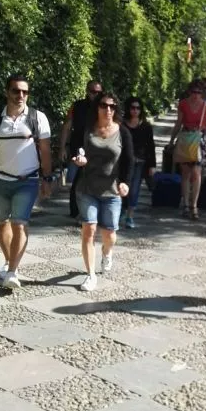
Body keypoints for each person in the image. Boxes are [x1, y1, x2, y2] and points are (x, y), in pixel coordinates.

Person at [0, 74, 53, 289]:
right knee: (1, 224)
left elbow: (45, 150)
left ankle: (13, 271)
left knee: (19, 223)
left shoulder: (38, 117)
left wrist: (47, 177)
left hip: (27, 180)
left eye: (25, 92)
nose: (21, 95)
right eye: (16, 91)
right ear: (7, 92)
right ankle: (9, 262)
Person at [71, 92, 133, 292]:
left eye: (112, 107)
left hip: (112, 191)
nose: (108, 110)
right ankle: (90, 275)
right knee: (88, 229)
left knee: (109, 234)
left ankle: (107, 253)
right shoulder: (87, 129)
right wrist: (78, 160)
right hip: (87, 187)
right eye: (104, 106)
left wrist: (125, 182)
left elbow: (129, 161)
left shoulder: (122, 132)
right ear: (97, 107)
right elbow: (75, 149)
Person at [59, 80, 104, 218]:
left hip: (97, 150)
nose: (95, 95)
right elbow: (67, 126)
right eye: (92, 91)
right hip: (78, 149)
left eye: (98, 92)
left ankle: (92, 212)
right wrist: (62, 147)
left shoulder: (104, 108)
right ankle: (75, 210)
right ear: (87, 91)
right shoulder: (77, 106)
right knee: (77, 181)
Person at [168, 80, 206, 219]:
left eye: (199, 92)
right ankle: (186, 205)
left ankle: (194, 205)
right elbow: (179, 123)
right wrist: (171, 140)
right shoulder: (183, 104)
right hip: (186, 139)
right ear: (189, 92)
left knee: (197, 173)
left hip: (199, 140)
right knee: (186, 173)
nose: (196, 95)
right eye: (194, 91)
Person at [122, 97, 156, 229]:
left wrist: (152, 165)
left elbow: (151, 146)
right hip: (124, 161)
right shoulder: (122, 125)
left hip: (139, 162)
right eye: (132, 108)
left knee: (134, 190)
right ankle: (121, 211)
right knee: (122, 186)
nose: (135, 110)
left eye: (138, 108)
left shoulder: (146, 126)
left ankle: (130, 215)